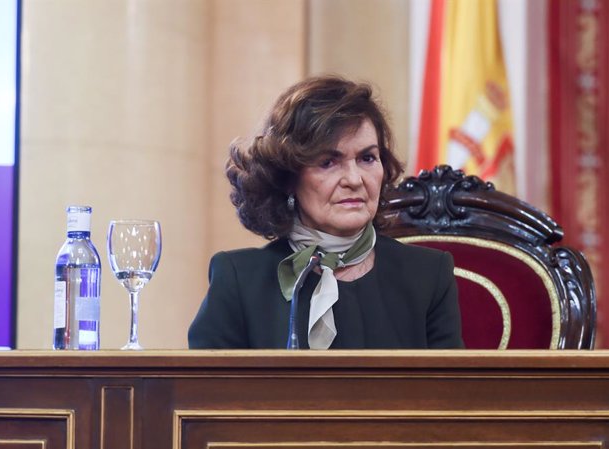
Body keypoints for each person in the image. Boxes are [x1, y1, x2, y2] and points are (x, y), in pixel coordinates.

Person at [188, 75, 463, 349]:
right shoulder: (238, 280)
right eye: (328, 162)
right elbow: (203, 391)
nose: (354, 179)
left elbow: (451, 392)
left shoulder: (428, 274)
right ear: (288, 177)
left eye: (367, 158)